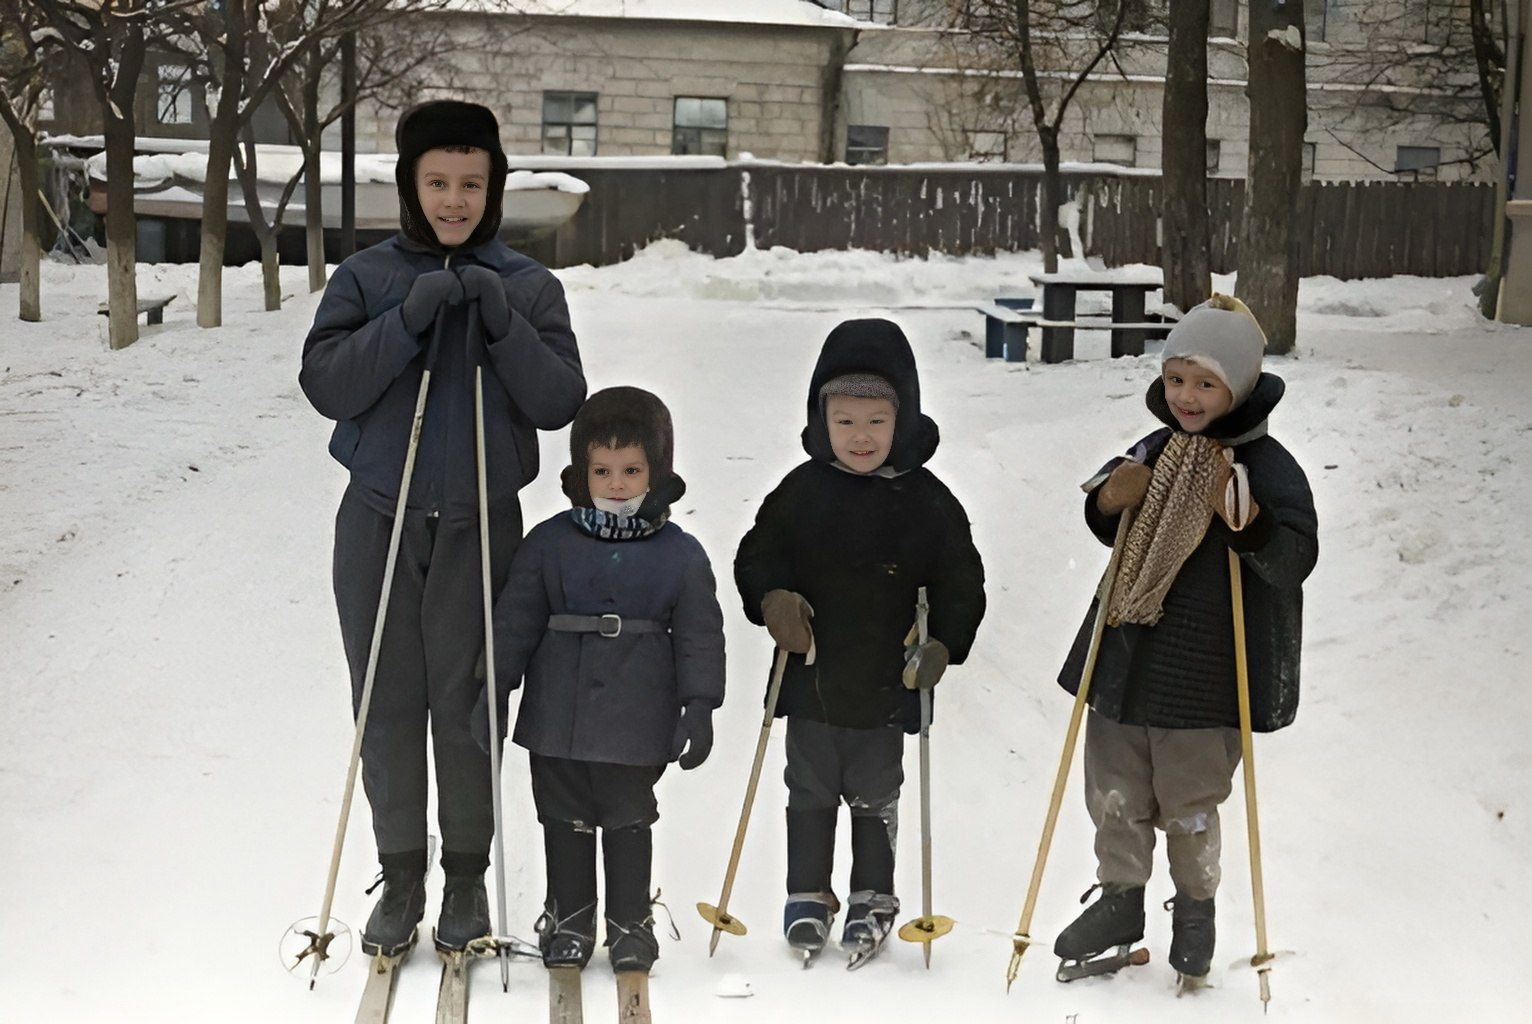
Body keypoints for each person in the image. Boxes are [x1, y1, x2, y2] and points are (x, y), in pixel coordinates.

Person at [299, 99, 585, 956]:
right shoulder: (367, 278)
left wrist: (500, 322)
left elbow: (558, 400)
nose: (454, 200)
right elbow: (328, 385)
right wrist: (408, 318)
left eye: (471, 183)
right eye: (437, 183)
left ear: (493, 187)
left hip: (480, 525)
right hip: (379, 524)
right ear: (410, 186)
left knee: (467, 706)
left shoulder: (529, 286)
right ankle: (403, 872)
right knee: (388, 705)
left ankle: (465, 875)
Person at [1052, 294, 1318, 987]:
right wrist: (1111, 498)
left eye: (1205, 382)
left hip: (1206, 670)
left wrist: (1250, 522)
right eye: (1176, 379)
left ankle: (1195, 913)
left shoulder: (1269, 468)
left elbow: (1294, 559)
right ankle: (1119, 900)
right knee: (1114, 787)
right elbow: (1108, 518)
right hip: (1127, 657)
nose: (1187, 396)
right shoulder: (1154, 449)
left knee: (1190, 798)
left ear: (1240, 384)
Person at [734, 318, 986, 961]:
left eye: (876, 420)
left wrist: (944, 646)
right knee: (809, 790)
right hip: (812, 678)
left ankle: (874, 894)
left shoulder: (929, 503)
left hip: (885, 685)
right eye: (845, 421)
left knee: (875, 793)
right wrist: (772, 600)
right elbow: (758, 555)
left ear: (902, 419)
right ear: (823, 421)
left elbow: (961, 580)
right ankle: (807, 893)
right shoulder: (800, 492)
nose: (861, 436)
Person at [476, 386, 725, 976]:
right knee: (562, 813)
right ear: (580, 473)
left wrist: (700, 704)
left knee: (627, 813)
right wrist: (497, 687)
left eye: (632, 470)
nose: (617, 483)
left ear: (656, 471)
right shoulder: (548, 542)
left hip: (640, 710)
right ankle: (569, 917)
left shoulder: (681, 553)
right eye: (602, 470)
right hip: (557, 710)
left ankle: (630, 922)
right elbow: (514, 621)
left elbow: (698, 633)